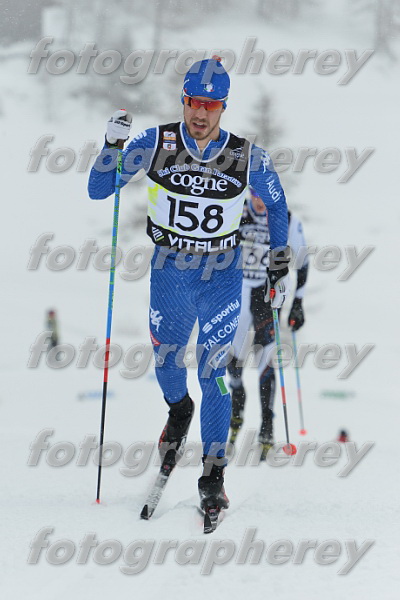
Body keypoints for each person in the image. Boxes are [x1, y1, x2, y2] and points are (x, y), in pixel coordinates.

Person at [88, 57, 290, 512]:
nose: (200, 113)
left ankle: (213, 475)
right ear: (183, 101)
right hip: (170, 275)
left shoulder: (246, 157)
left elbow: (278, 206)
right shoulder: (155, 143)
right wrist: (111, 145)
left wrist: (278, 265)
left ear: (223, 107)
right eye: (194, 102)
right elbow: (99, 189)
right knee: (166, 361)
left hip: (221, 277)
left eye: (211, 105)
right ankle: (179, 409)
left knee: (212, 372)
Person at [227, 187, 308, 459]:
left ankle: (267, 427)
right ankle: (236, 405)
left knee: (266, 362)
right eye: (255, 195)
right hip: (238, 292)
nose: (260, 202)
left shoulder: (284, 218)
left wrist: (298, 302)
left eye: (264, 196)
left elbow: (303, 262)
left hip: (266, 295)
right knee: (232, 360)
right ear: (249, 193)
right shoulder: (234, 211)